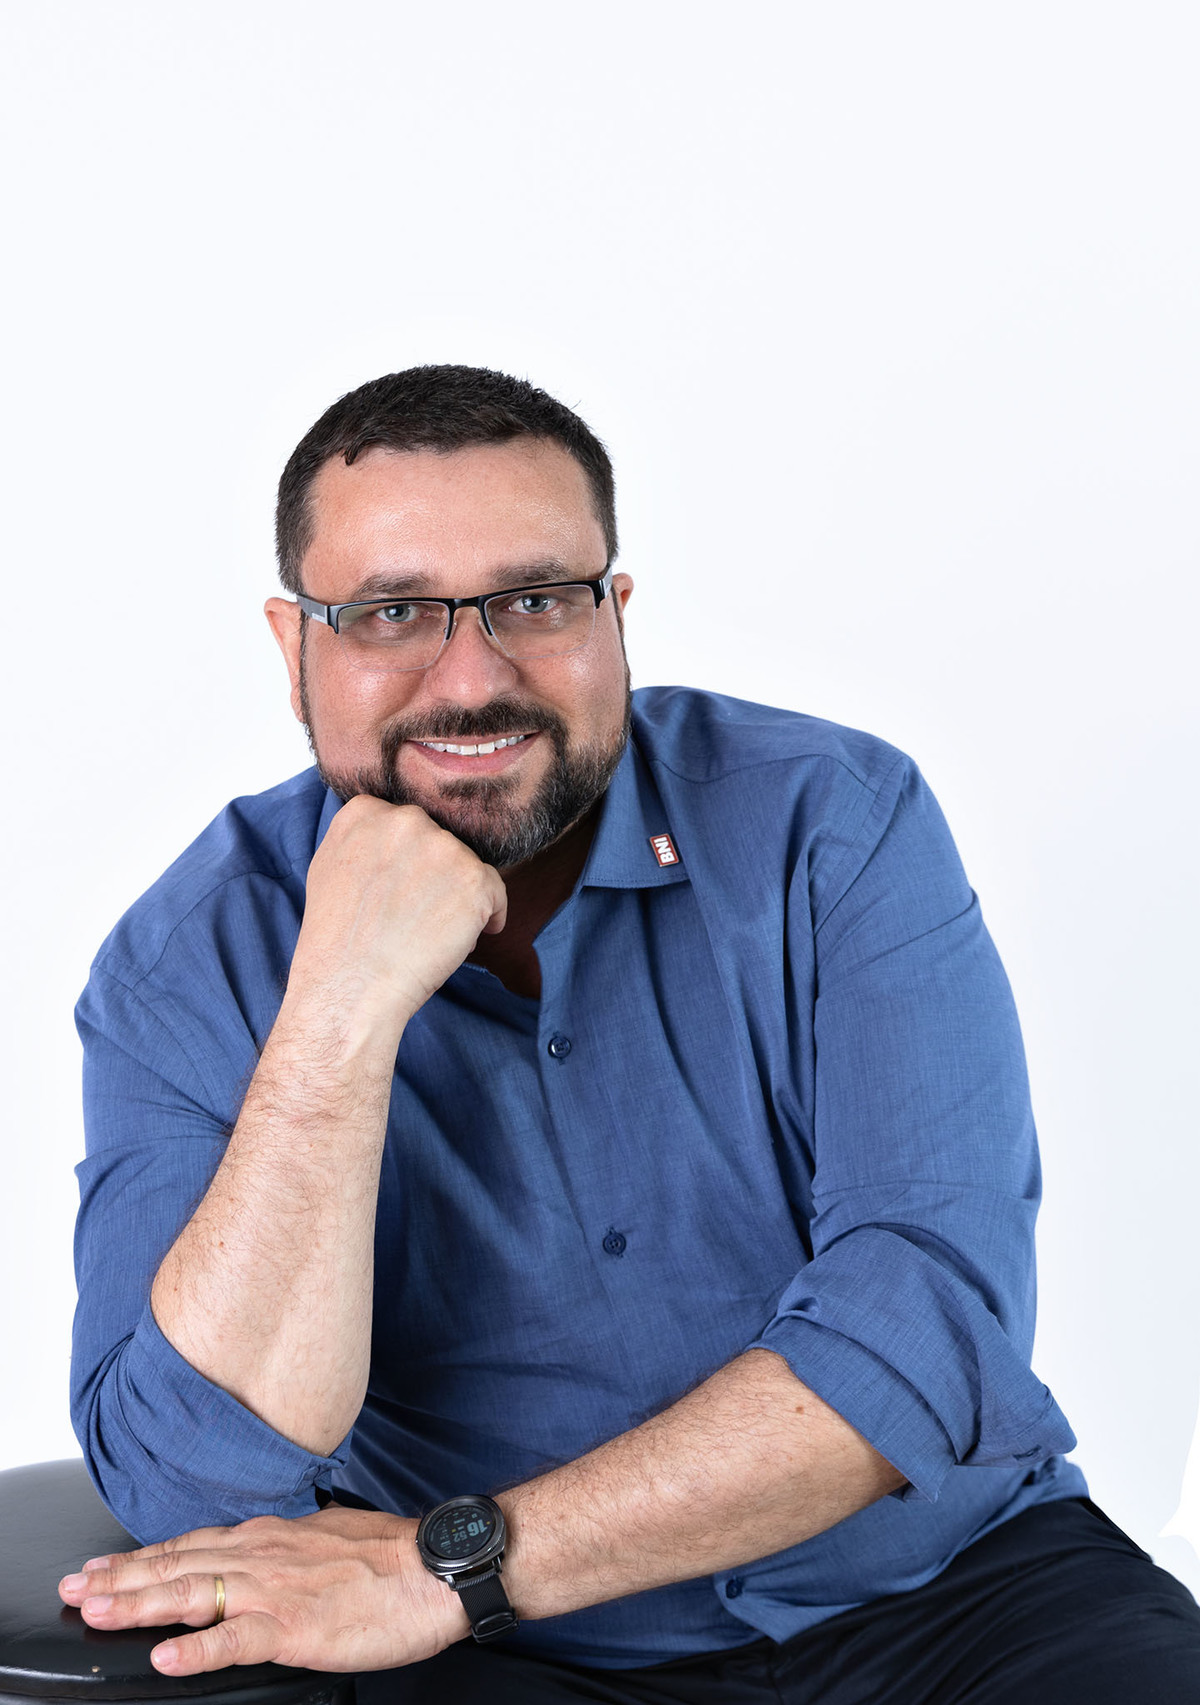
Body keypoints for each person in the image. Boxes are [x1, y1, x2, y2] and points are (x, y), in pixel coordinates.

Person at [59, 366, 1200, 1700]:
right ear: (293, 646)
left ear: (616, 614)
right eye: (392, 613)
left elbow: (925, 1326)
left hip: (943, 1593)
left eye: (537, 599)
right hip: (508, 1663)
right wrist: (337, 1013)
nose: (471, 678)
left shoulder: (835, 822)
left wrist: (455, 1566)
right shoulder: (188, 961)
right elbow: (190, 1481)